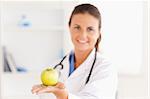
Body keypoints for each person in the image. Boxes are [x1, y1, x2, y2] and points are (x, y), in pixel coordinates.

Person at [31, 3, 118, 99]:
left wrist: (64, 96)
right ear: (69, 28)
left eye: (90, 29)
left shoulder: (105, 68)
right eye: (77, 27)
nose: (83, 35)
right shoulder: (55, 67)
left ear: (98, 33)